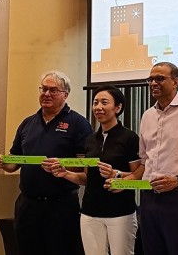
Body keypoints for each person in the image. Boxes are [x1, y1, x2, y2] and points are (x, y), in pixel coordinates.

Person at [0, 71, 93, 255]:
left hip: (60, 206)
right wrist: (3, 162)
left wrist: (62, 166)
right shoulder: (27, 123)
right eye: (44, 89)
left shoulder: (79, 124)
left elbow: (85, 166)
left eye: (53, 90)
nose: (47, 94)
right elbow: (14, 163)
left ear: (65, 95)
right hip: (28, 205)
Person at [126, 61, 178, 255]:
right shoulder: (147, 115)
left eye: (160, 79)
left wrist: (177, 180)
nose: (153, 83)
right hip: (148, 197)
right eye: (150, 79)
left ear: (175, 82)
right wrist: (122, 180)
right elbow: (144, 161)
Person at [51, 85, 140, 255]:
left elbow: (138, 175)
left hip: (120, 213)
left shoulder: (129, 138)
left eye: (104, 102)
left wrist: (118, 177)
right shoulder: (90, 139)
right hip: (89, 213)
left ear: (118, 107)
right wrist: (66, 173)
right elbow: (87, 177)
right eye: (95, 103)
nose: (98, 107)